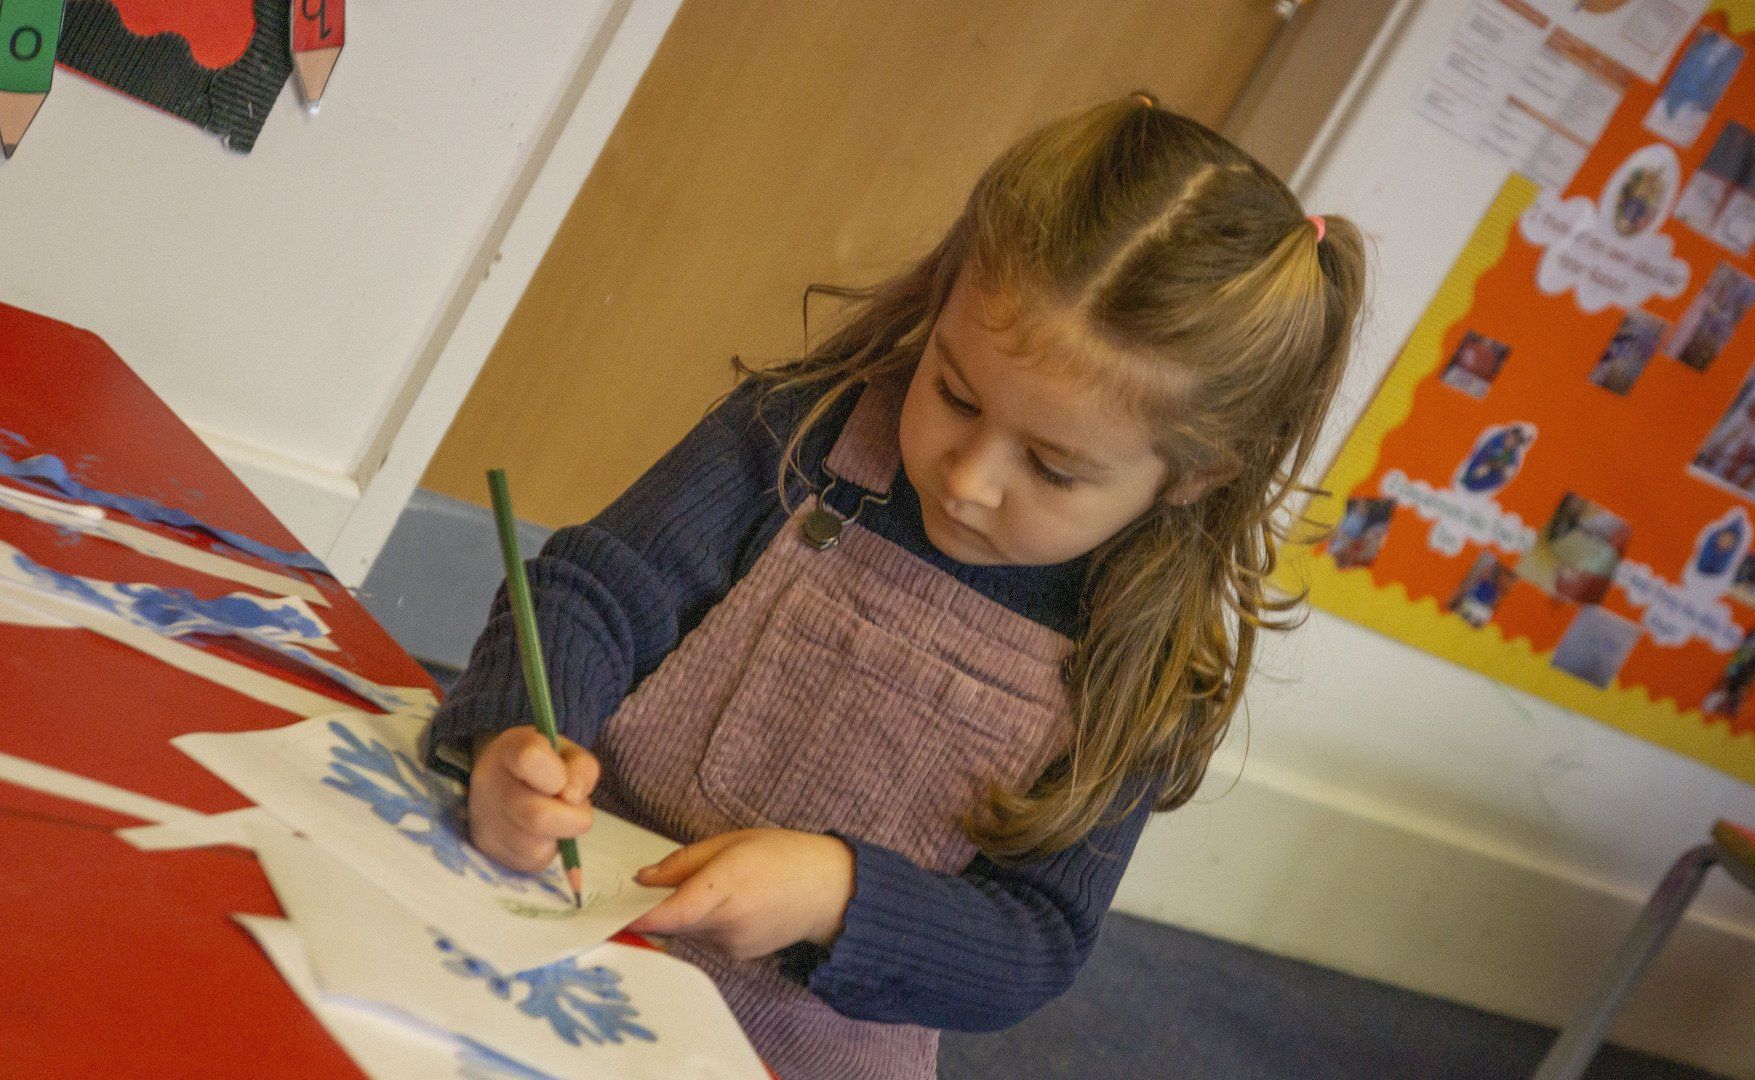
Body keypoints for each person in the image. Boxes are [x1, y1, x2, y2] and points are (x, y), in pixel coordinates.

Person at [424, 94, 1366, 1079]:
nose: (967, 479)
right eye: (953, 393)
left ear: (1192, 476)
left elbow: (1033, 942)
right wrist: (523, 735)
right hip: (561, 927)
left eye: (1052, 468)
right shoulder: (800, 436)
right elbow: (593, 593)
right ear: (939, 302)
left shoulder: (1142, 663)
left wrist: (840, 893)